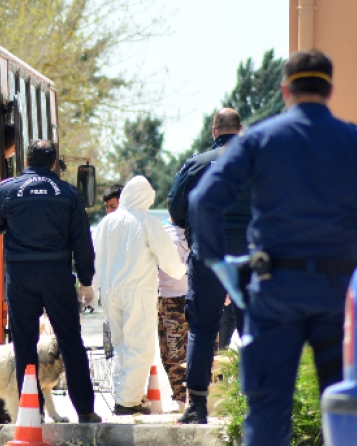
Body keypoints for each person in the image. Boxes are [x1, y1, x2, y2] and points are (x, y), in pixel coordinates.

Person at [189, 50, 357, 446]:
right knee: (345, 414)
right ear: (330, 90)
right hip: (338, 293)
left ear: (285, 90)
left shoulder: (259, 139)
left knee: (267, 414)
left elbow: (203, 200)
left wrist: (222, 265)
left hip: (274, 291)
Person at [0, 140, 101, 423]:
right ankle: (85, 411)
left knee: (24, 345)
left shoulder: (8, 190)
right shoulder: (68, 193)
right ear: (53, 164)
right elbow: (82, 242)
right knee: (70, 342)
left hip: (20, 276)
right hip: (57, 275)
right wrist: (86, 280)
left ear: (26, 161)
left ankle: (31, 413)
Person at [168, 107, 251, 424]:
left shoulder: (195, 164)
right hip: (249, 254)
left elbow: (175, 211)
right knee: (253, 329)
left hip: (207, 254)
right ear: (240, 130)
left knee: (202, 329)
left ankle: (197, 406)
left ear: (214, 131)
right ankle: (256, 405)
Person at [93, 176, 186, 415]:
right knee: (139, 348)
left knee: (121, 346)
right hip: (138, 292)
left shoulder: (107, 222)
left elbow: (95, 258)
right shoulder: (147, 222)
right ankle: (128, 402)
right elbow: (169, 259)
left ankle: (123, 396)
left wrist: (92, 290)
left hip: (110, 292)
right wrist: (183, 271)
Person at [157, 216, 191, 413]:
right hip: (169, 296)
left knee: (201, 348)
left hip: (195, 295)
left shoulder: (198, 225)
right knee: (172, 351)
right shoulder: (162, 229)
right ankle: (179, 397)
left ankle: (198, 395)